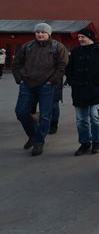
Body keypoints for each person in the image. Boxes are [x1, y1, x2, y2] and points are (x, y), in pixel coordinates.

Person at [13, 22, 68, 156]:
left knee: (45, 115)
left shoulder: (57, 47)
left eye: (43, 32)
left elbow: (62, 66)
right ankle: (33, 135)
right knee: (21, 112)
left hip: (47, 85)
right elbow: (17, 63)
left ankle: (39, 141)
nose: (40, 34)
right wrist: (19, 79)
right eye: (38, 32)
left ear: (49, 33)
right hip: (27, 84)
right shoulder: (27, 46)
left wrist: (51, 81)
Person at [65, 28, 99, 156]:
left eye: (82, 37)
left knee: (95, 117)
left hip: (95, 90)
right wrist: (71, 81)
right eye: (79, 37)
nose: (80, 39)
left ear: (90, 37)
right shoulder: (75, 52)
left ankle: (96, 141)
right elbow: (68, 69)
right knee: (81, 120)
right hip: (78, 90)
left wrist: (98, 79)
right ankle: (84, 143)